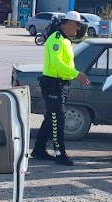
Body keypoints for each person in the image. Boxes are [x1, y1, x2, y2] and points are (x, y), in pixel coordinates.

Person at [30, 11, 91, 166]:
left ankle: (38, 149)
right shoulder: (56, 39)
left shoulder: (65, 40)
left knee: (52, 118)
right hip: (53, 85)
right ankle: (60, 153)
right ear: (68, 23)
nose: (77, 29)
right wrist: (76, 74)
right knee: (59, 119)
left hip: (61, 85)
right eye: (77, 25)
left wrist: (72, 75)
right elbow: (57, 62)